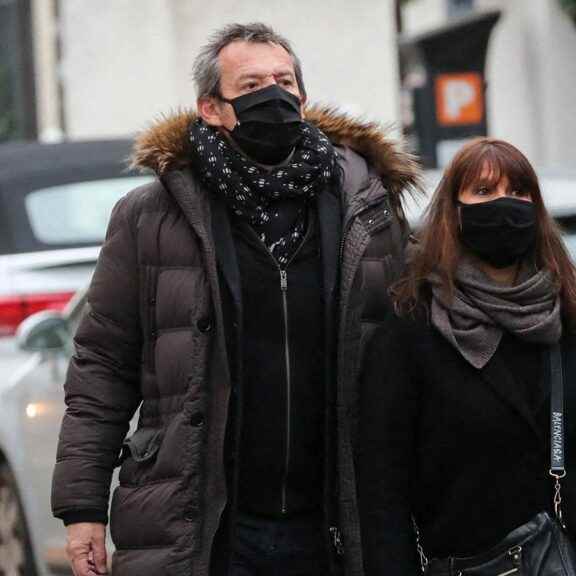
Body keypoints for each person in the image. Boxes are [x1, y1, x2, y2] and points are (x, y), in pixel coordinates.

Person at [51, 22, 418, 576]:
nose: (274, 96)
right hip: (205, 525)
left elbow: (418, 346)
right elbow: (102, 365)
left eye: (284, 81)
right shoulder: (151, 218)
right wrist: (82, 509)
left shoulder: (365, 211)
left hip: (336, 525)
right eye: (251, 86)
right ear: (211, 109)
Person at [355, 138, 576, 575]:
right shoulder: (412, 329)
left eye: (518, 192)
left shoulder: (572, 317)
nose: (504, 205)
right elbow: (382, 490)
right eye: (483, 192)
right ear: (454, 214)